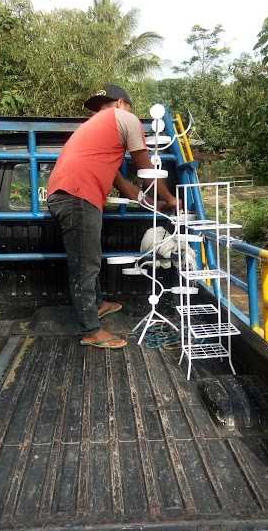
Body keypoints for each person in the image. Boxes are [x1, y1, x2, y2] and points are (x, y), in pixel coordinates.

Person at [47, 83, 178, 349]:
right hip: (77, 195)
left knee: (88, 256)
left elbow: (127, 187)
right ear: (122, 104)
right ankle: (91, 330)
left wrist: (153, 204)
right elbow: (145, 168)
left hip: (70, 194)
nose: (101, 113)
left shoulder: (97, 138)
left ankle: (98, 304)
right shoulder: (125, 118)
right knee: (86, 264)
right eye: (100, 109)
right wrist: (172, 199)